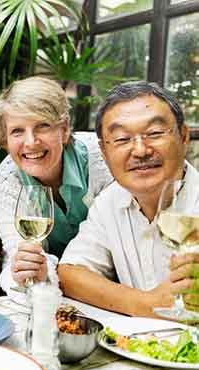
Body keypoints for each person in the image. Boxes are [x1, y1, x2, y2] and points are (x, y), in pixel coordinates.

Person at [58, 81, 199, 317]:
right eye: (122, 139)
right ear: (104, 151)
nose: (141, 150)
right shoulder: (110, 201)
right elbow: (71, 273)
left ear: (183, 137)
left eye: (154, 133)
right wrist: (145, 305)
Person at [0, 77, 113, 293]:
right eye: (17, 131)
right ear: (5, 139)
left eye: (42, 126)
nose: (31, 142)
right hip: (52, 292)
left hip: (112, 285)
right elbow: (16, 256)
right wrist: (24, 270)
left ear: (64, 130)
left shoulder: (103, 159)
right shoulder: (5, 184)